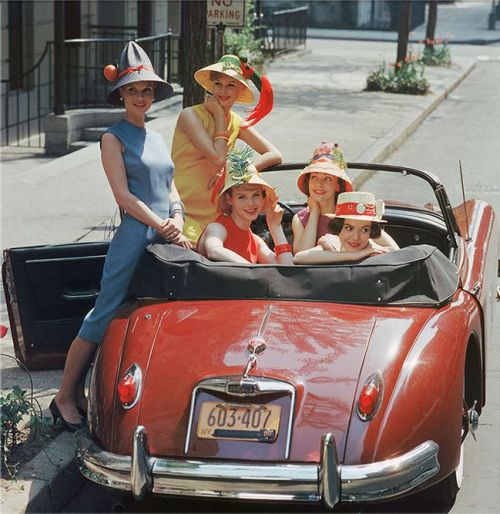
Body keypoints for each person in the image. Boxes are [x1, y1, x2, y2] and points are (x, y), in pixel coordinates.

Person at [50, 41, 191, 432]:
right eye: (133, 90)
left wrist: (176, 216)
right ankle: (63, 396)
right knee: (104, 311)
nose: (141, 97)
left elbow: (170, 186)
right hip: (135, 235)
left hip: (166, 235)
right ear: (121, 95)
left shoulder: (158, 138)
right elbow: (124, 196)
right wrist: (161, 223)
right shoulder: (112, 138)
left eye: (146, 90)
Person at [172, 54, 282, 244]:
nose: (222, 90)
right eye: (218, 84)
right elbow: (217, 158)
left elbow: (274, 154)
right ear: (210, 86)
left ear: (240, 90)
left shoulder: (236, 122)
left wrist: (234, 174)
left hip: (218, 213)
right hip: (183, 212)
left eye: (230, 85)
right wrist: (220, 119)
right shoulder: (189, 115)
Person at [197, 147, 293, 265]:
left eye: (256, 195)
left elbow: (287, 269)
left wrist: (275, 227)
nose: (251, 203)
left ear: (262, 197)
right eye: (241, 197)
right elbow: (214, 250)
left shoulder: (256, 241)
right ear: (229, 199)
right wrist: (251, 269)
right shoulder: (217, 227)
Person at [294, 191, 398, 264]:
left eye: (364, 230)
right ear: (338, 229)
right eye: (349, 228)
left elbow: (399, 255)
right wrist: (353, 256)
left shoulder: (375, 250)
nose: (355, 237)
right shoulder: (333, 243)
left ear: (371, 232)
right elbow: (299, 258)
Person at [291, 141, 354, 253]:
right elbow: (302, 256)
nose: (319, 184)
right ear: (308, 181)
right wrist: (314, 212)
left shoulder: (350, 214)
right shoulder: (300, 219)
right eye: (314, 177)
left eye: (327, 178)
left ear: (337, 186)